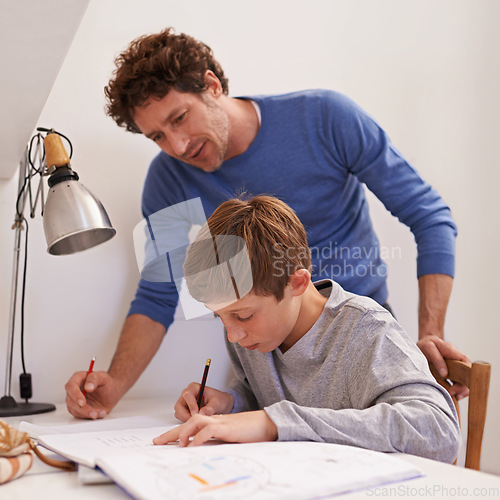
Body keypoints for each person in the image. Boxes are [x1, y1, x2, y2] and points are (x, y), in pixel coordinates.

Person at [64, 27, 468, 420]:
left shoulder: (325, 118)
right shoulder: (168, 179)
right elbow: (158, 293)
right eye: (156, 136)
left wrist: (429, 332)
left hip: (353, 353)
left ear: (212, 85)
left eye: (180, 118)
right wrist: (114, 383)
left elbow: (428, 215)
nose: (177, 146)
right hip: (264, 370)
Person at [152, 195, 460, 463]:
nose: (232, 335)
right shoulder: (251, 332)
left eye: (242, 316)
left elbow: (439, 432)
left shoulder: (366, 330)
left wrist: (275, 423)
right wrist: (232, 401)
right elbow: (265, 392)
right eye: (220, 317)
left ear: (297, 283)